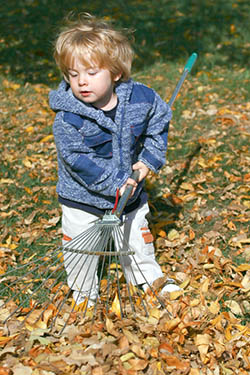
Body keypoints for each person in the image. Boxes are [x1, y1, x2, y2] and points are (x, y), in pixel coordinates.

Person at [49, 13, 181, 309]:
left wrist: (149, 159)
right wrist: (116, 183)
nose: (81, 81)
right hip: (82, 201)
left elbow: (159, 123)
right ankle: (84, 294)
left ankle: (149, 281)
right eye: (73, 74)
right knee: (79, 251)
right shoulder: (68, 119)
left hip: (131, 196)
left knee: (137, 242)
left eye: (92, 72)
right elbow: (79, 160)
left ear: (116, 73)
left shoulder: (141, 100)